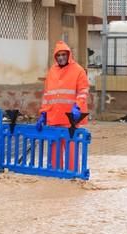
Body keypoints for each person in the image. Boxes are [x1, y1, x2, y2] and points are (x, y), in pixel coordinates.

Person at [36, 40, 89, 169]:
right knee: (54, 152)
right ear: (55, 57)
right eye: (58, 55)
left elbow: (83, 91)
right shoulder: (52, 71)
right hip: (53, 118)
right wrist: (43, 113)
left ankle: (72, 175)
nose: (61, 58)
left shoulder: (78, 70)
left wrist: (77, 106)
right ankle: (56, 175)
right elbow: (48, 95)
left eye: (63, 55)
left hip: (70, 119)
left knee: (71, 151)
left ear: (68, 55)